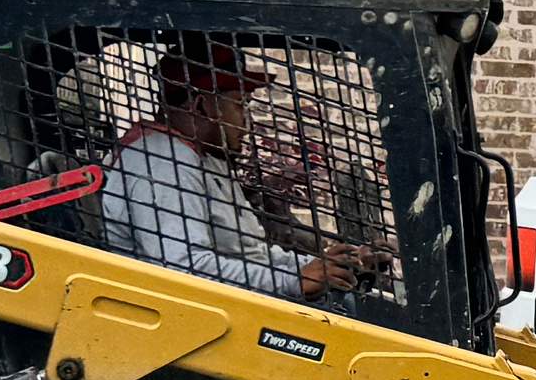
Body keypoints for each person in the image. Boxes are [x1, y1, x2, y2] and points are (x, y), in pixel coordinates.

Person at [102, 35, 387, 301]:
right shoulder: (162, 163)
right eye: (240, 106)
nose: (246, 122)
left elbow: (253, 254)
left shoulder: (205, 159)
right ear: (203, 107)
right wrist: (293, 280)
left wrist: (329, 265)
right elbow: (183, 269)